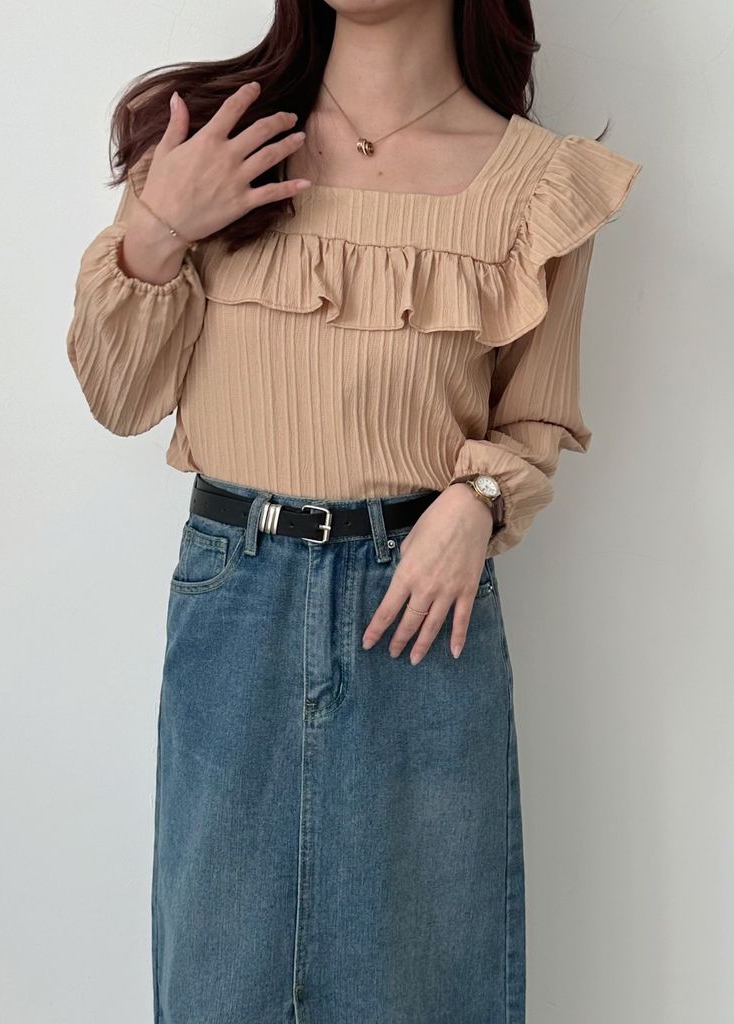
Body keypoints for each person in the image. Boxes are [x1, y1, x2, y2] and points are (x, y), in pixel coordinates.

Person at [64, 2, 642, 1020]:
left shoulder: (537, 187)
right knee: (218, 983)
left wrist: (476, 503)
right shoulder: (214, 137)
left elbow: (536, 418)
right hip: (235, 596)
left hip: (419, 609)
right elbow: (120, 397)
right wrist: (158, 224)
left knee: (423, 979)